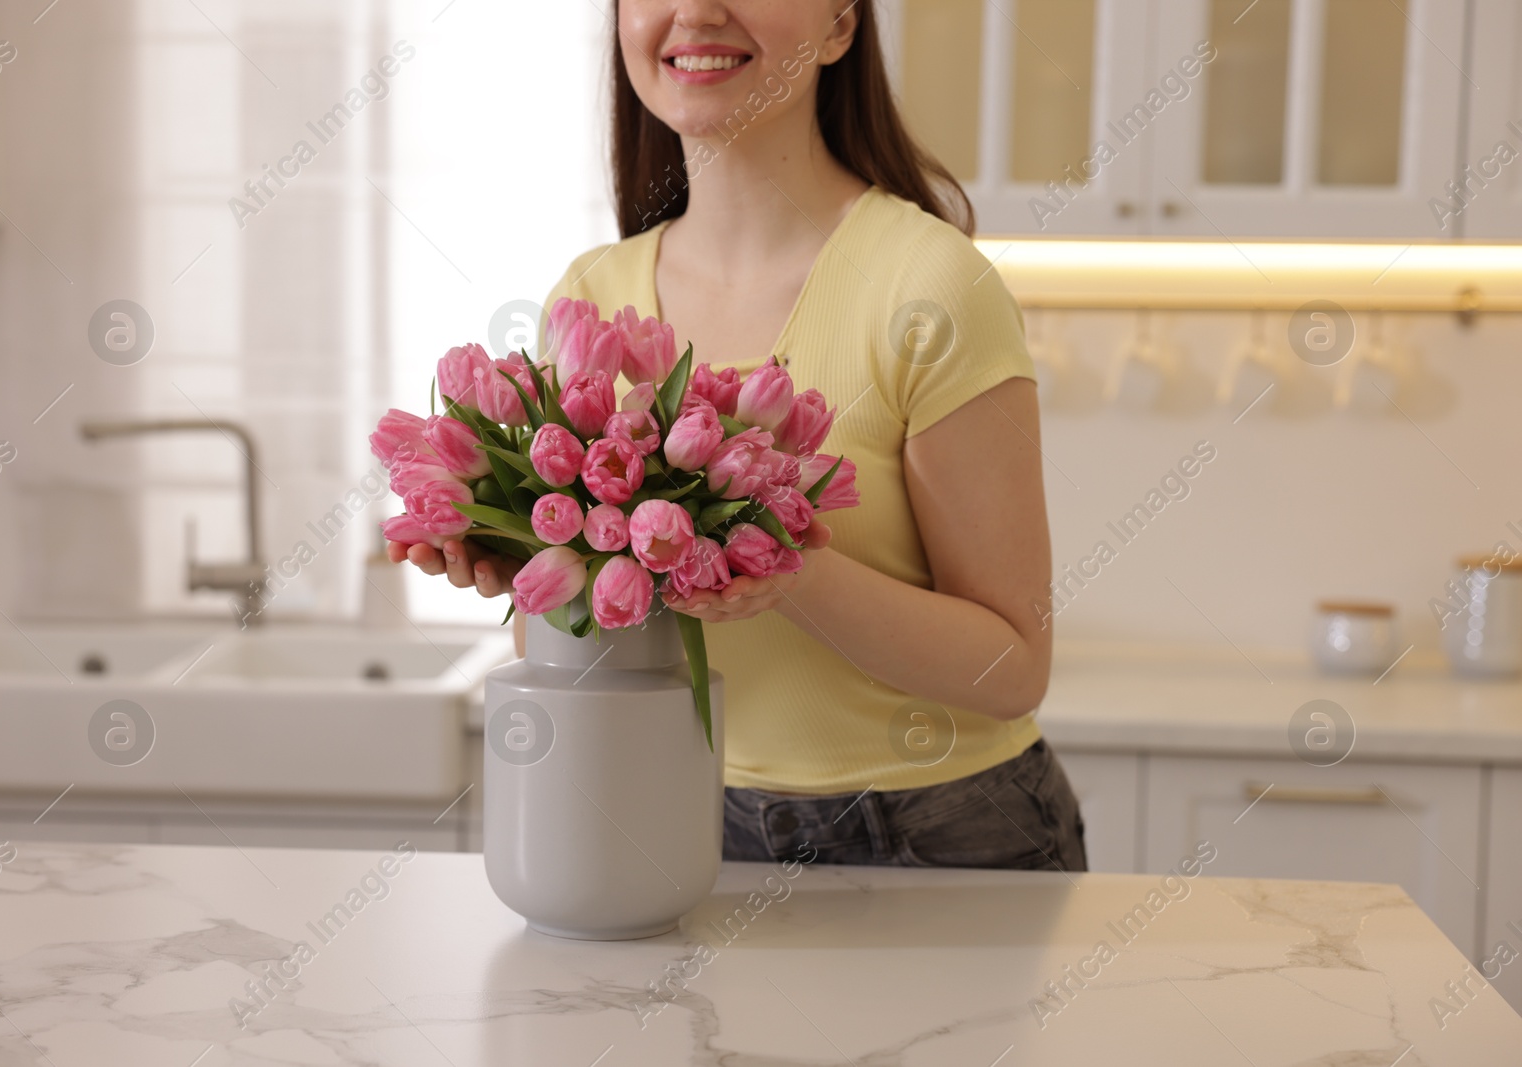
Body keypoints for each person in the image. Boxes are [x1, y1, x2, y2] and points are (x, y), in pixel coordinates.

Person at [391, 0, 1085, 872]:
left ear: (841, 26)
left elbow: (1014, 666)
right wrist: (525, 558)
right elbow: (575, 647)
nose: (697, 11)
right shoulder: (591, 294)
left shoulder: (931, 289)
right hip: (682, 816)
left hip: (937, 831)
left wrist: (778, 561)